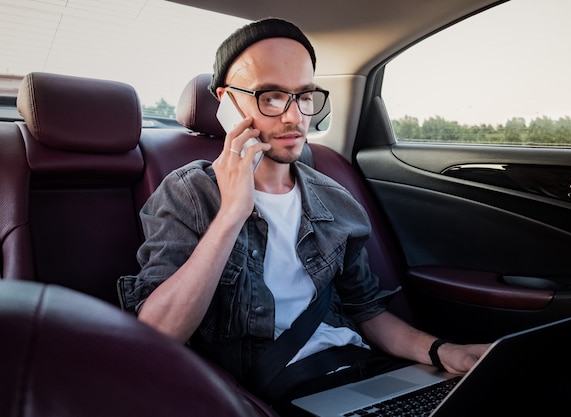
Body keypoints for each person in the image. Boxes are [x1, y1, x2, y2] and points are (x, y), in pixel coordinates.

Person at [119, 17, 490, 415]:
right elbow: (158, 335)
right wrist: (231, 214)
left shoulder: (335, 198)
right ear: (227, 102)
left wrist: (443, 351)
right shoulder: (189, 193)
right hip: (272, 394)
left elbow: (366, 311)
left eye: (305, 96)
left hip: (366, 373)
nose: (295, 117)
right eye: (271, 97)